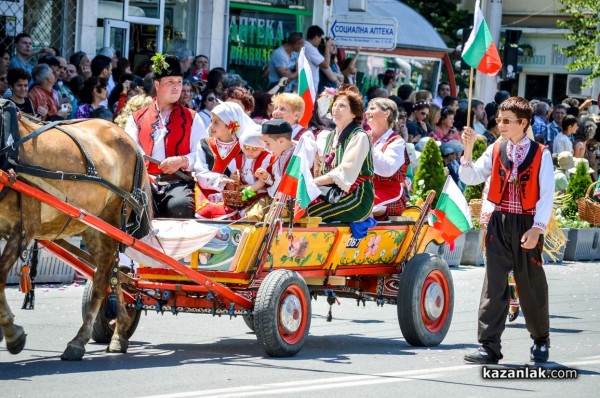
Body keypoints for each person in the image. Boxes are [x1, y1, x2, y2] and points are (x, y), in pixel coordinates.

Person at [460, 96, 554, 364]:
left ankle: (540, 340)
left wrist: (537, 228)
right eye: (499, 120)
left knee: (530, 283)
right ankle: (489, 346)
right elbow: (472, 176)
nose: (500, 125)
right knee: (494, 283)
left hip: (527, 223)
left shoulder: (541, 153)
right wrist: (467, 149)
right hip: (499, 221)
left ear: (523, 123)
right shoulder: (496, 148)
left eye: (506, 121)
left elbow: (546, 195)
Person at [125, 54, 208, 218]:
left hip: (178, 182)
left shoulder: (192, 118)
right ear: (157, 84)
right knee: (133, 207)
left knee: (180, 206)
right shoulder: (137, 118)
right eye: (170, 82)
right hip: (144, 183)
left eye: (179, 82)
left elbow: (203, 153)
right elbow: (129, 153)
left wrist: (182, 161)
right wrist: (142, 173)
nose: (177, 87)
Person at [307, 84, 374, 222]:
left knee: (310, 212)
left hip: (357, 197)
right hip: (332, 193)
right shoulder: (330, 136)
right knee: (294, 206)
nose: (336, 108)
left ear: (354, 113)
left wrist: (312, 183)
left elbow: (343, 172)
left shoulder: (359, 136)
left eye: (342, 106)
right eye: (335, 104)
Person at [194, 101, 252, 219]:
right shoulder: (205, 144)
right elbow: (200, 172)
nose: (211, 126)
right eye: (211, 121)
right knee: (208, 210)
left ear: (229, 126)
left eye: (216, 122)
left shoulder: (244, 147)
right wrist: (223, 179)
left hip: (235, 195)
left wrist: (237, 179)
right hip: (207, 191)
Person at [366, 98, 409, 218]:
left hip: (389, 193)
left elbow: (387, 169)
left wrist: (369, 148)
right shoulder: (363, 135)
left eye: (372, 108)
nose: (367, 112)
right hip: (364, 190)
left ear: (387, 113)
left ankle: (361, 236)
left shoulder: (396, 141)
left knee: (361, 206)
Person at [255, 119, 297, 198]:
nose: (266, 148)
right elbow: (275, 181)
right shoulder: (275, 156)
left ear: (281, 141)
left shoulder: (298, 157)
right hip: (272, 197)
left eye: (268, 143)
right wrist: (266, 177)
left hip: (287, 204)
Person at [304, 25, 343, 93]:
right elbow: (326, 66)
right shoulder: (310, 48)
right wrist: (327, 47)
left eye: (335, 46)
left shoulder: (333, 61)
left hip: (312, 88)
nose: (334, 48)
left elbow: (341, 77)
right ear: (316, 37)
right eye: (331, 45)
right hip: (313, 89)